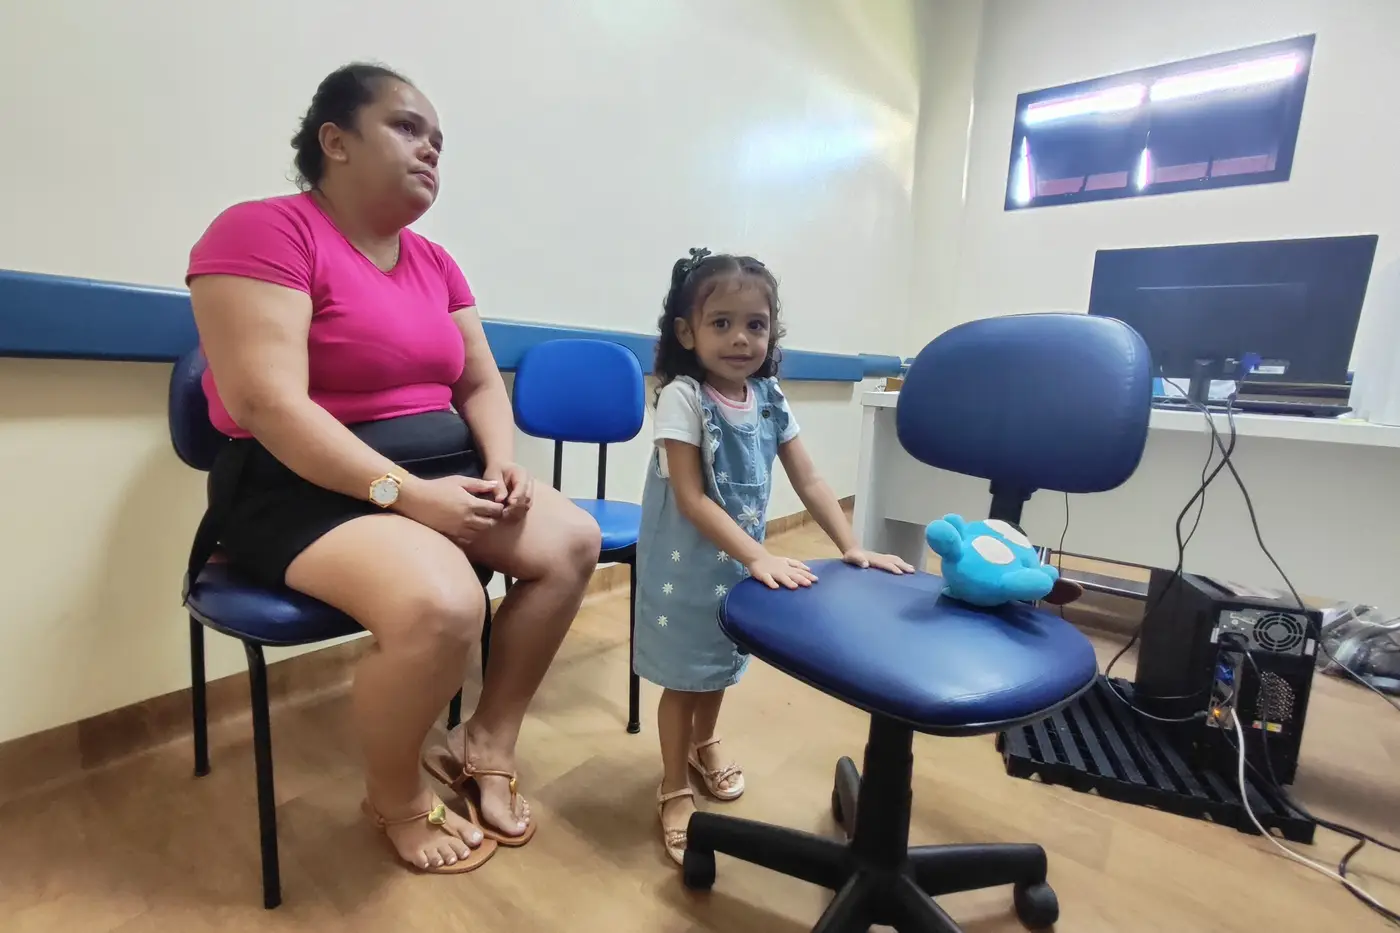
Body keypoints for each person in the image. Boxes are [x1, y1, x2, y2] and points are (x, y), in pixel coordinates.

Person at [185, 63, 601, 874]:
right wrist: (407, 497)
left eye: (439, 140)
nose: (431, 150)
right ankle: (394, 794)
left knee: (571, 541)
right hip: (299, 485)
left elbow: (478, 382)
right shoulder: (262, 230)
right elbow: (267, 403)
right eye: (408, 128)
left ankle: (485, 742)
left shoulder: (436, 262)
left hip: (441, 468)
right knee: (444, 603)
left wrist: (502, 461)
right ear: (334, 141)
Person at [632, 248, 915, 865]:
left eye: (755, 325)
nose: (741, 338)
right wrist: (759, 554)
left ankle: (704, 744)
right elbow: (690, 498)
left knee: (720, 661)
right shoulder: (683, 397)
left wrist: (851, 545)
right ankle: (673, 784)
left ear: (771, 333)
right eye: (722, 323)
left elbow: (809, 478)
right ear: (687, 332)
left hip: (738, 562)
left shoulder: (768, 395)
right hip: (685, 564)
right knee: (684, 675)